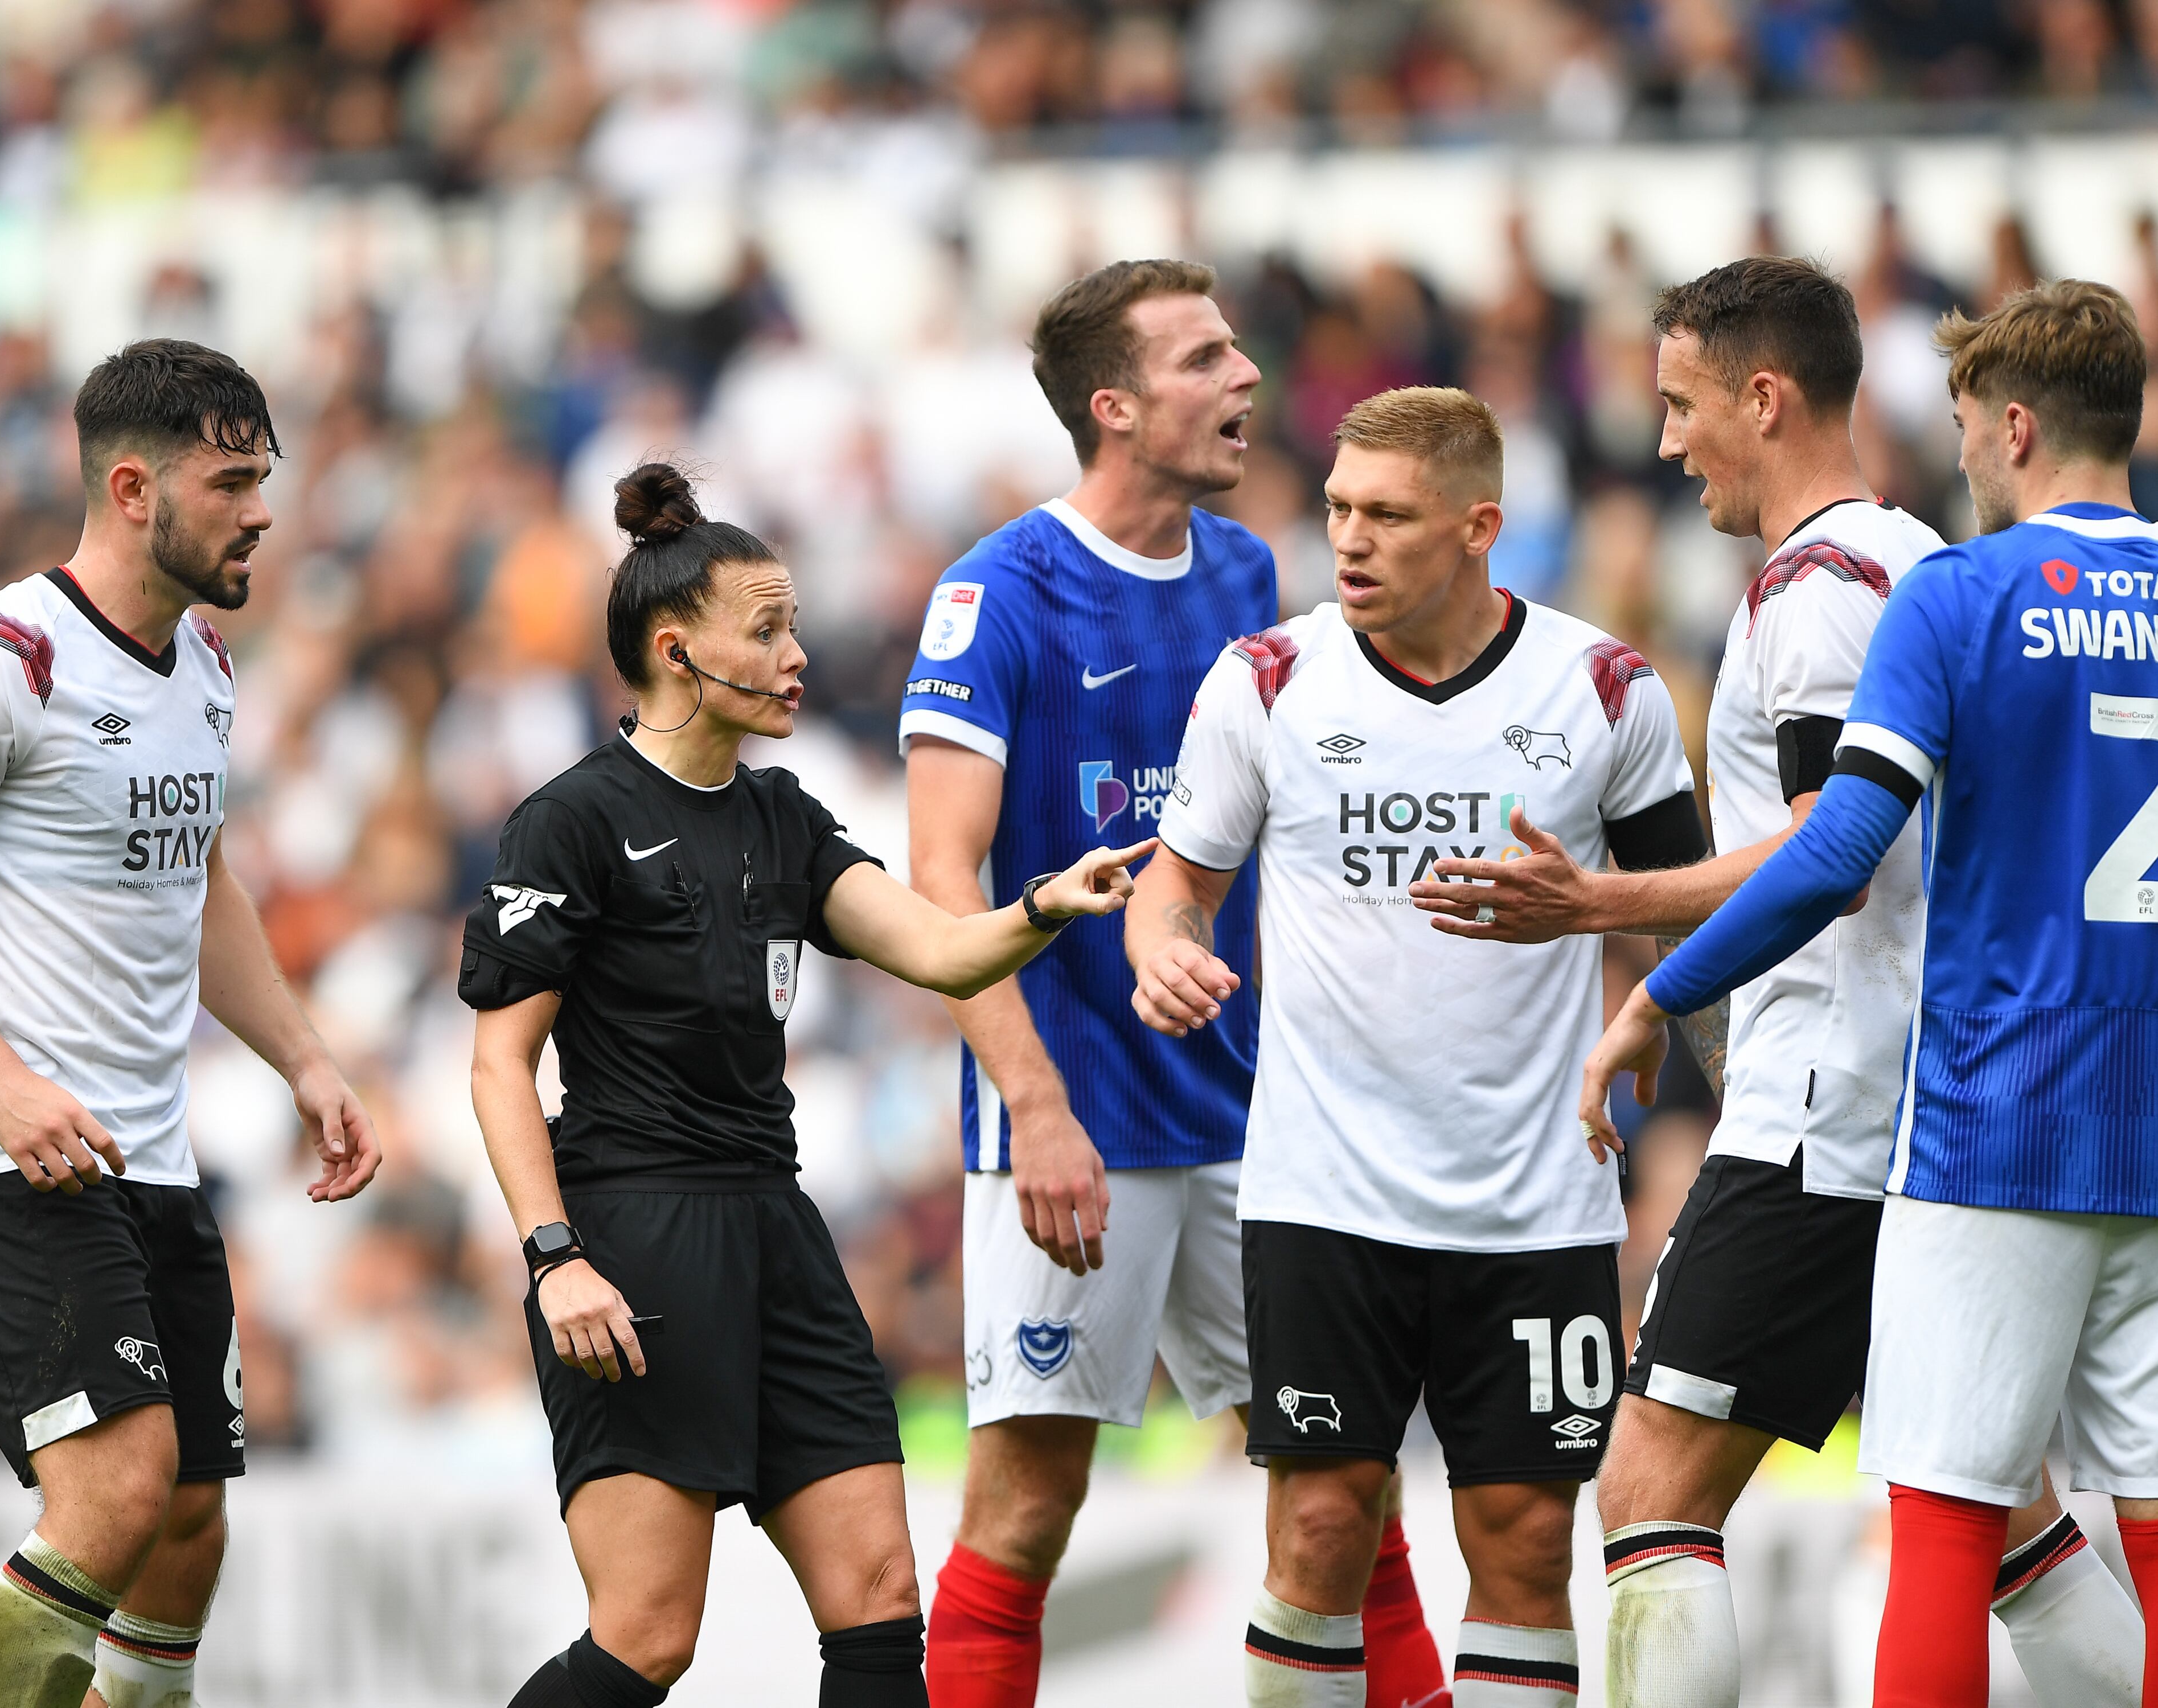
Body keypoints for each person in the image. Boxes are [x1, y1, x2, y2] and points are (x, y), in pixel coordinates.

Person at [1406, 257, 2143, 1703]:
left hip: (1832, 1112)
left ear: (1764, 398)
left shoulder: (1818, 591)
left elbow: (1830, 847)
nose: (1667, 440)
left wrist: (1609, 925)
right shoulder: (1926, 558)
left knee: (1652, 1488)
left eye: (1683, 405)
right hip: (1969, 1104)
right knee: (2003, 1516)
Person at [462, 461, 1154, 1708]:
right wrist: (554, 1257)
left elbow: (941, 950)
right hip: (638, 1239)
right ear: (676, 650)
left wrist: (1045, 904)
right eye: (768, 629)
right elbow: (500, 1064)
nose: (796, 655)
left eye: (795, 625)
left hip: (778, 1231)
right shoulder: (571, 822)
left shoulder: (782, 814)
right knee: (648, 1637)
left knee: (882, 1600)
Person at [900, 258, 1442, 1708]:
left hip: (1259, 1121)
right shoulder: (997, 594)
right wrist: (1035, 1109)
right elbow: (941, 878)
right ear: (1117, 407)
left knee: (1347, 1484)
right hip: (1079, 1122)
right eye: (1203, 358)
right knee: (1028, 1509)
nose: (1246, 375)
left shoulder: (1248, 573)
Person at [1127, 386, 1713, 1707]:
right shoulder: (1267, 679)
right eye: (1340, 508)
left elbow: (1697, 902)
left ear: (1479, 527)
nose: (1350, 538)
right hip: (1324, 1194)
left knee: (1524, 1544)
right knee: (1320, 1528)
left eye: (1389, 515)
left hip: (1538, 1196)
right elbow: (1177, 884)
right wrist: (1162, 948)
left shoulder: (1603, 688)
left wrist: (1631, 972)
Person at [0, 338, 383, 1708]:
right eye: (233, 482)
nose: (263, 512)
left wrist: (305, 1058)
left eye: (265, 479)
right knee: (121, 1491)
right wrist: (0, 1082)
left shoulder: (205, 664)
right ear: (134, 490)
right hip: (7, 1155)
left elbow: (200, 878)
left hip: (152, 1157)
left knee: (187, 1529)